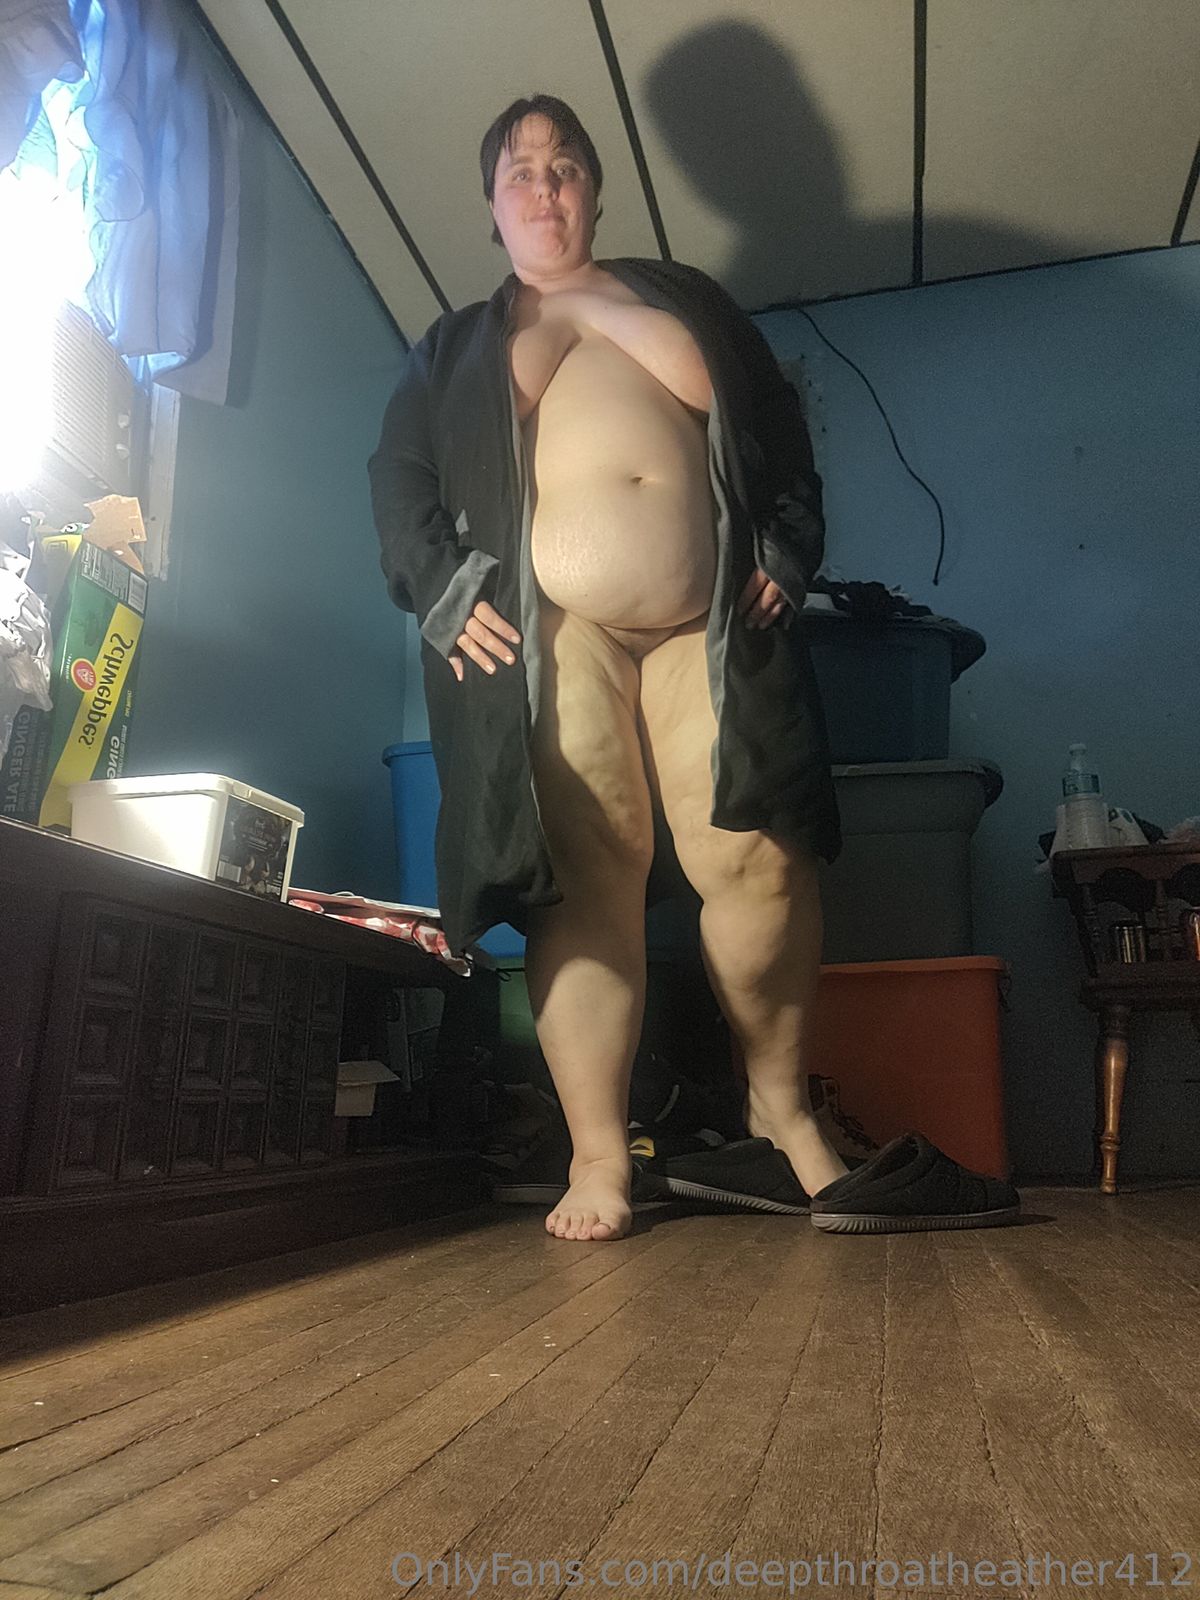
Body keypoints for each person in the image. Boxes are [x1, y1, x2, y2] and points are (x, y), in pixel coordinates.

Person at [370, 94, 854, 1243]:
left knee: (759, 854)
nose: (544, 186)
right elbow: (399, 476)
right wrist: (441, 590)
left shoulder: (688, 303)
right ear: (492, 208)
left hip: (708, 621)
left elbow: (779, 430)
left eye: (566, 166)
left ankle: (781, 1110)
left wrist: (788, 549)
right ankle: (598, 1152)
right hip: (558, 631)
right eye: (520, 171)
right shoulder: (455, 347)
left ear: (596, 189)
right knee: (587, 871)